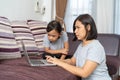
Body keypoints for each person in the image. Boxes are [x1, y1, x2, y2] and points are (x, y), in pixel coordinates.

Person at [46, 14, 112, 80]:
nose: (75, 31)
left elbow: (84, 73)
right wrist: (56, 60)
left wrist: (60, 63)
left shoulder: (95, 47)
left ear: (88, 27)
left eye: (78, 28)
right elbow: (72, 61)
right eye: (75, 28)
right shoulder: (81, 45)